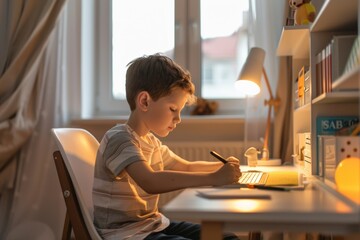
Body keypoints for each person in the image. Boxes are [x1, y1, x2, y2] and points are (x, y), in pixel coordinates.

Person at [93, 54, 242, 240]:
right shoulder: (119, 138)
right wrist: (214, 178)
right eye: (173, 109)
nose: (178, 119)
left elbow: (186, 166)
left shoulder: (150, 142)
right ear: (145, 101)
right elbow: (151, 181)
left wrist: (223, 167)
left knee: (227, 238)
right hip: (124, 234)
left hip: (152, 224)